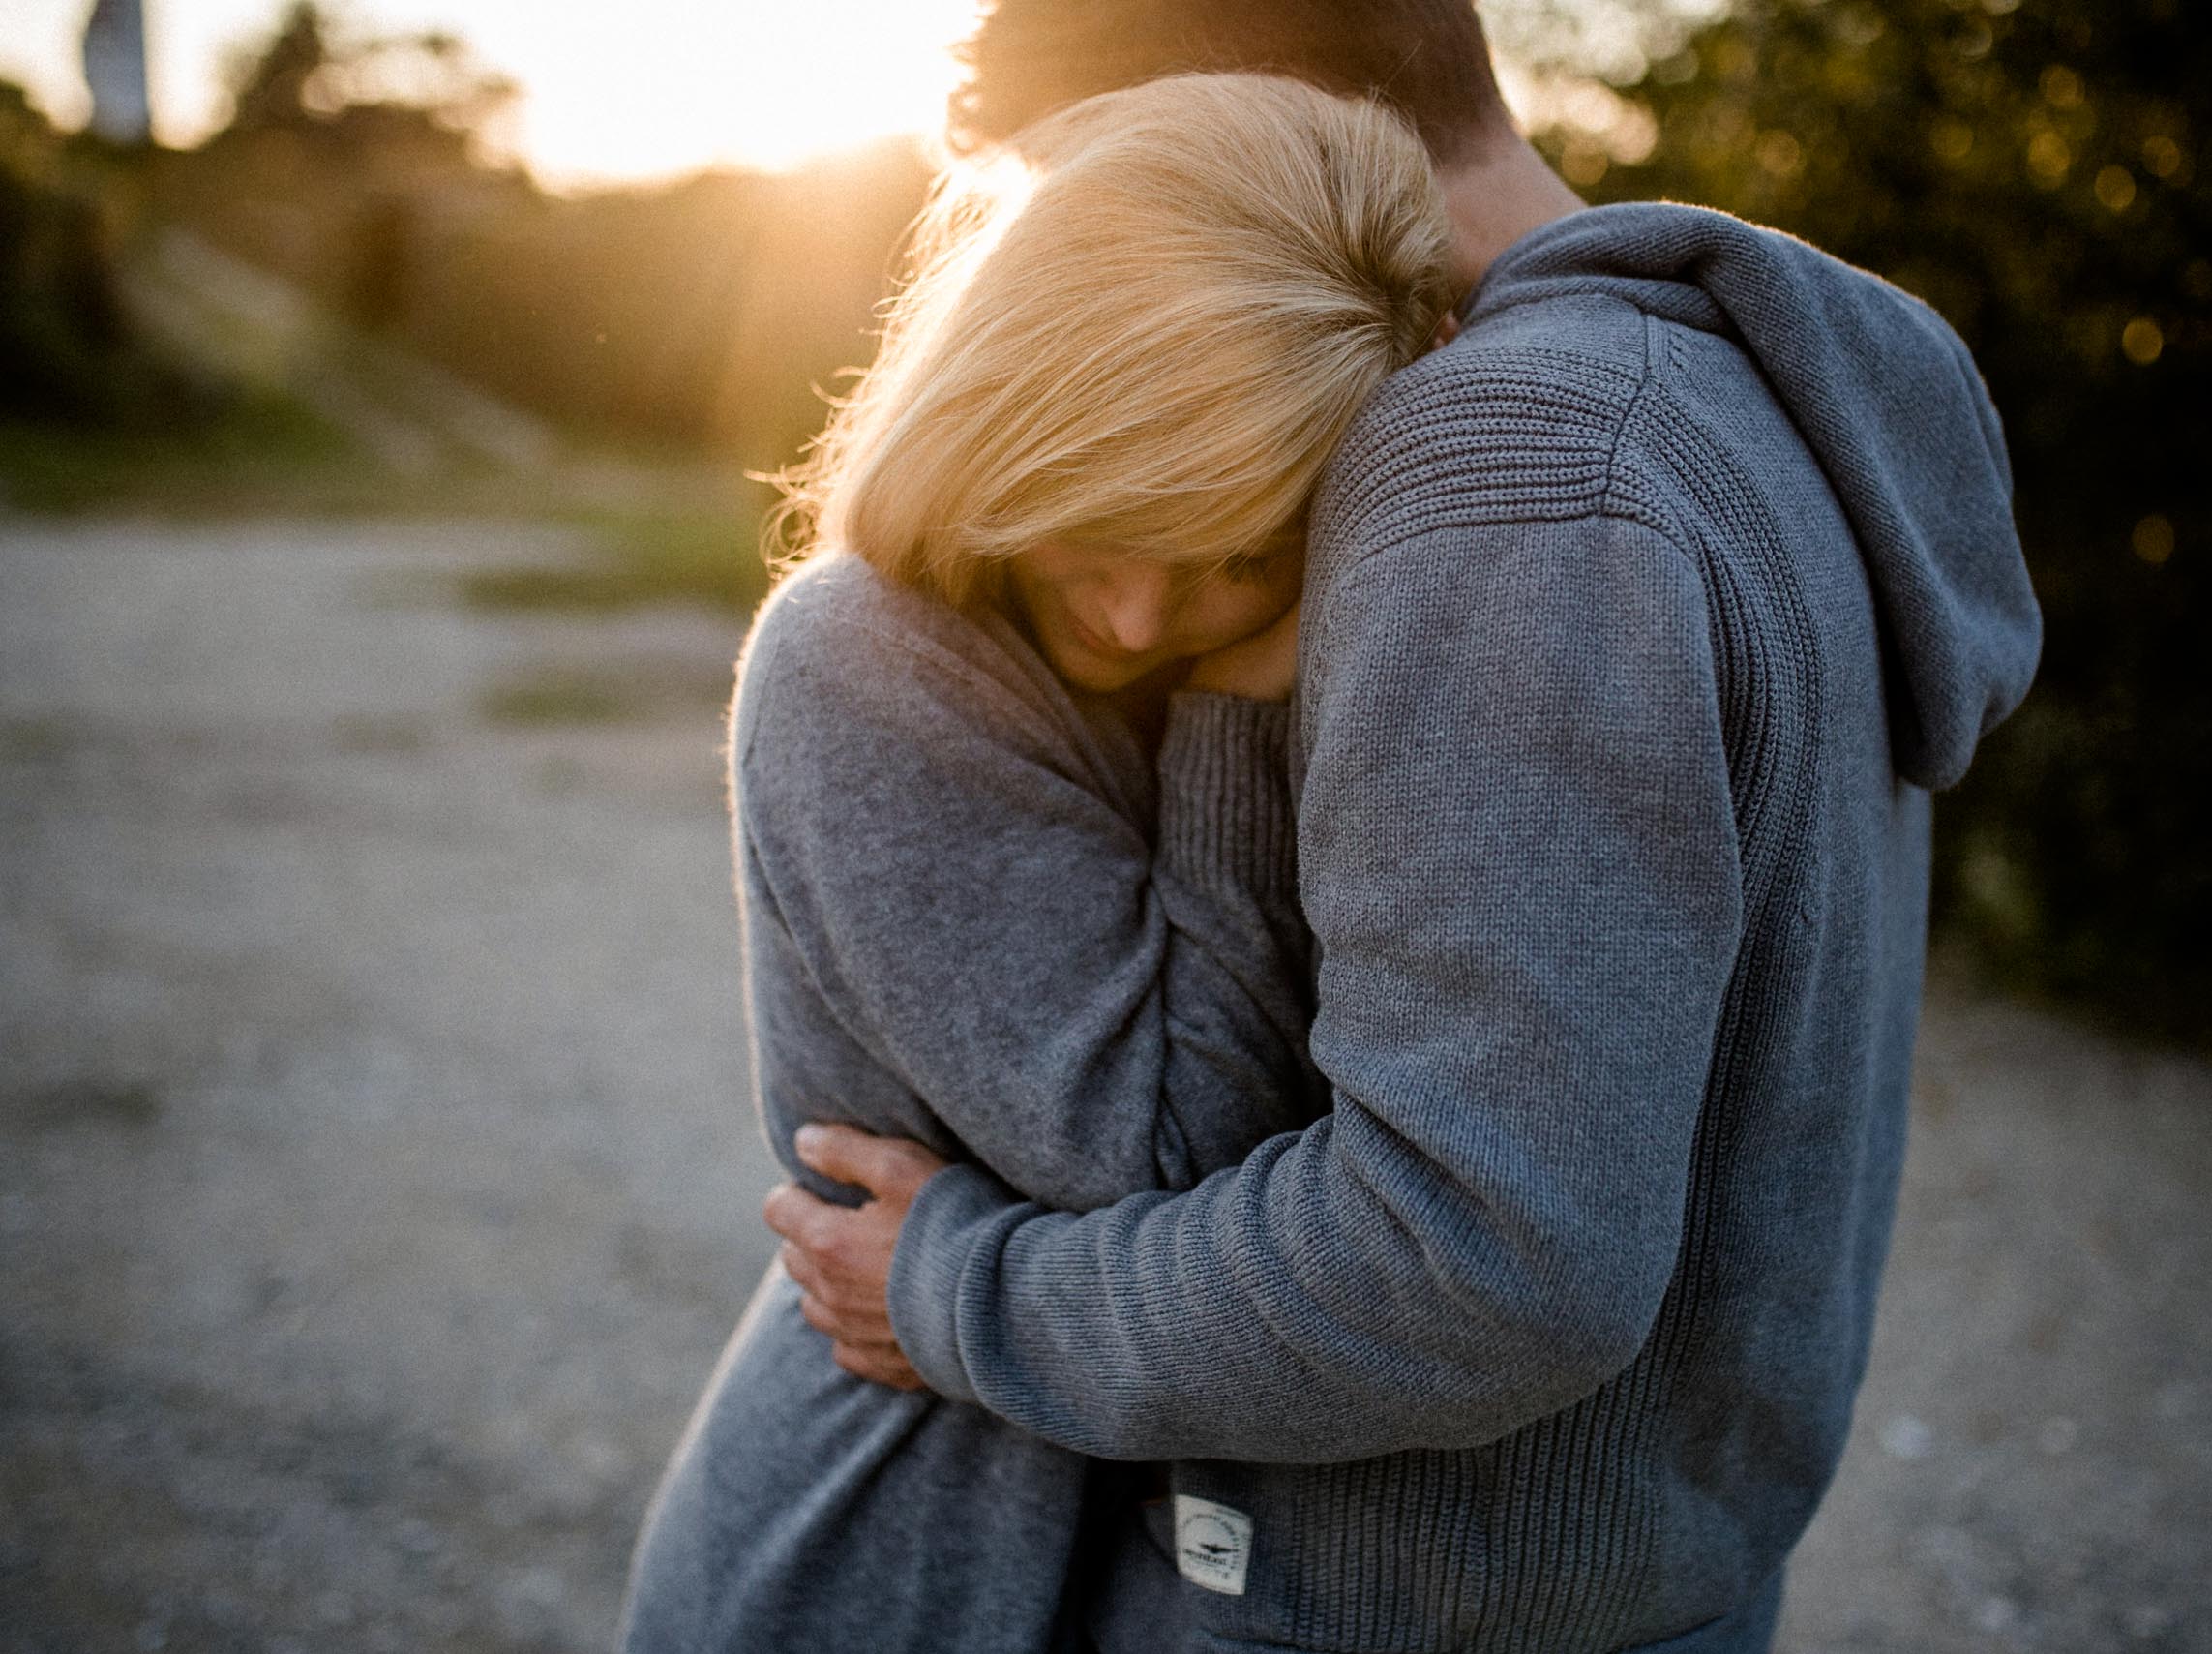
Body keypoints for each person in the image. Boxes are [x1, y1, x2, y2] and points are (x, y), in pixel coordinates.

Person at [766, 2, 2046, 1651]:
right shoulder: (1733, 387)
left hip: (1383, 1604)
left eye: (1097, 205)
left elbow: (1481, 1256)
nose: (1063, 285)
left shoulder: (1497, 466)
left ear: (1263, 129)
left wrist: (956, 1291)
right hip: (1645, 1576)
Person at [616, 73, 1453, 1653]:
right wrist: (1229, 693)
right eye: (1113, 512)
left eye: (1234, 549)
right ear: (1016, 404)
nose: (1136, 617)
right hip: (887, 1571)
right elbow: (1177, 1156)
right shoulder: (867, 663)